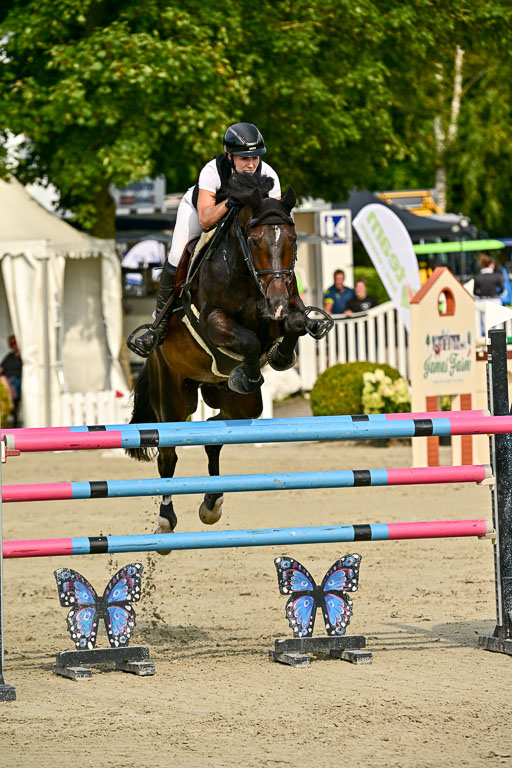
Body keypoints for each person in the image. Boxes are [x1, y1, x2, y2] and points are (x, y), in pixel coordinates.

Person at [131, 122, 281, 357]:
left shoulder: (269, 175)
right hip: (200, 211)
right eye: (244, 158)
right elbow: (205, 219)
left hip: (239, 222)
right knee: (177, 254)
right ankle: (157, 326)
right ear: (230, 156)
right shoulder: (212, 171)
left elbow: (274, 219)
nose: (251, 164)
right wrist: (231, 201)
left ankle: (291, 310)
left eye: (255, 158)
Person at [0, 335, 22, 426]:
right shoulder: (9, 356)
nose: (13, 345)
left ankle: (10, 401)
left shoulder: (25, 357)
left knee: (3, 379)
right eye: (11, 344)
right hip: (7, 382)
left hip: (17, 382)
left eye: (15, 343)